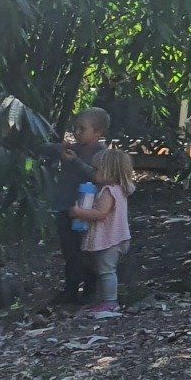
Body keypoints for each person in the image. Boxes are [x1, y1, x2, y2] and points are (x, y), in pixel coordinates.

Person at [48, 107, 110, 304]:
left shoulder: (101, 154)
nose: (77, 133)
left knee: (86, 250)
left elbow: (97, 176)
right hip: (66, 206)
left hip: (87, 209)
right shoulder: (72, 149)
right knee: (69, 250)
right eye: (75, 128)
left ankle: (90, 289)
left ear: (98, 132)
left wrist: (75, 163)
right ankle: (71, 288)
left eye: (82, 129)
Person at [69, 145, 135, 318]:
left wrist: (78, 212)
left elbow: (101, 213)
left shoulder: (108, 191)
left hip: (110, 239)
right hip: (116, 237)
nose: (93, 172)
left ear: (109, 171)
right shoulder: (120, 189)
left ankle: (111, 303)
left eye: (96, 169)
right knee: (104, 269)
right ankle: (105, 300)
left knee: (106, 270)